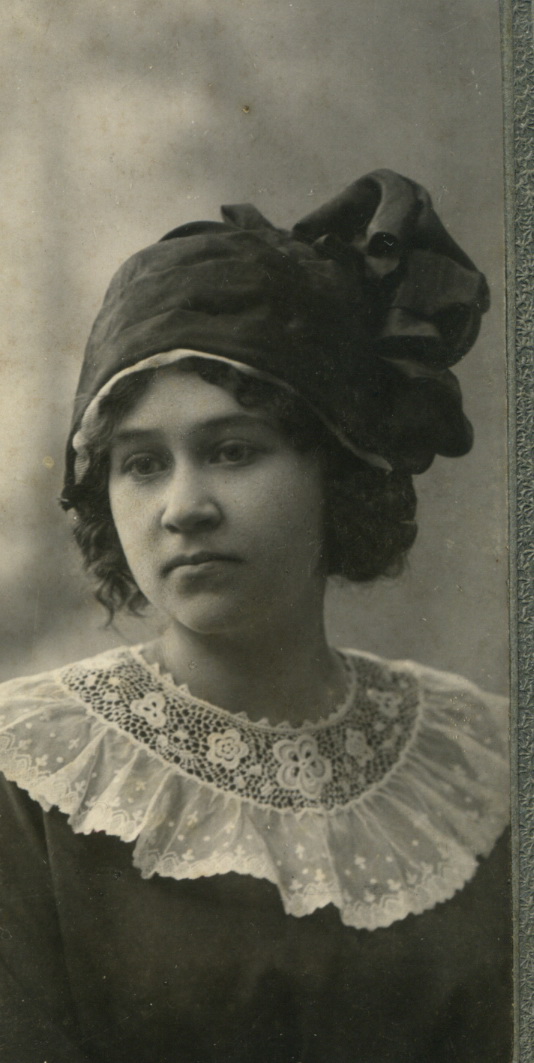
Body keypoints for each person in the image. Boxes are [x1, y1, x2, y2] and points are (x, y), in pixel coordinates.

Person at [0, 170, 510, 1062]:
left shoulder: (480, 764)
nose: (183, 507)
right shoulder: (30, 779)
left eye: (233, 450)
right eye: (142, 464)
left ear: (337, 467)